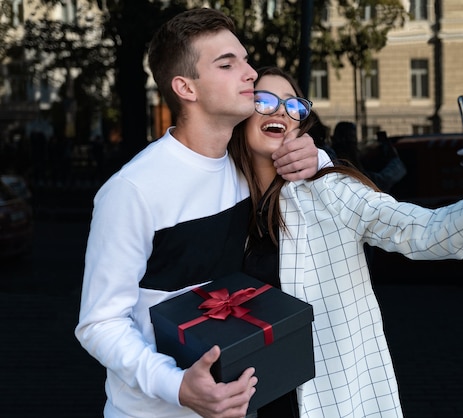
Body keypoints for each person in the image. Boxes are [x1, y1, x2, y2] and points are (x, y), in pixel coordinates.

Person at [227, 66, 463, 417]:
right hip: (250, 399)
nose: (281, 110)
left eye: (293, 106)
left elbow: (421, 231)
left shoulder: (330, 191)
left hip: (326, 399)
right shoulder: (221, 197)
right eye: (265, 100)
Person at [74, 9, 330, 418]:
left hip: (238, 406)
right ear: (185, 88)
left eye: (245, 60)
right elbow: (99, 324)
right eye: (227, 64)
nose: (249, 73)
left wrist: (318, 156)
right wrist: (177, 386)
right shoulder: (132, 190)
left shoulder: (244, 171)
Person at [330, 120, 406, 192]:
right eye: (352, 141)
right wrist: (395, 162)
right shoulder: (343, 165)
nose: (354, 147)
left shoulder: (333, 160)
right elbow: (379, 182)